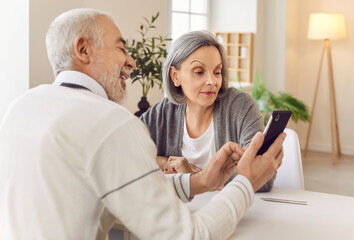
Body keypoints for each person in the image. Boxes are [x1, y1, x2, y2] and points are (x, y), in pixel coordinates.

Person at [0, 8, 285, 240]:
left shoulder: (21, 106)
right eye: (121, 49)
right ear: (83, 49)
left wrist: (199, 182)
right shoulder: (112, 122)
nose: (132, 62)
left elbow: (127, 189)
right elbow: (190, 236)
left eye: (217, 72)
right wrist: (245, 182)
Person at [141, 30, 274, 192]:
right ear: (175, 76)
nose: (212, 81)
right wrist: (165, 162)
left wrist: (195, 179)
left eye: (217, 72)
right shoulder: (161, 114)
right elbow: (124, 156)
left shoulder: (241, 107)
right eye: (199, 72)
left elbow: (262, 179)